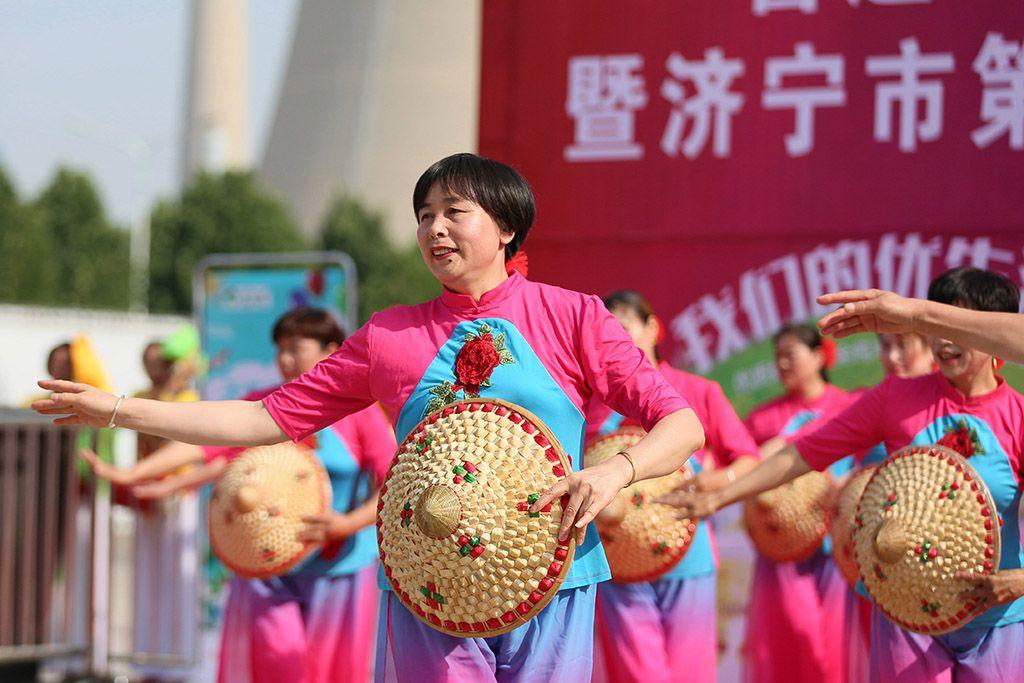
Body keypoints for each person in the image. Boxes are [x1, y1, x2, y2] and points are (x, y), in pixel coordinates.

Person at [35, 153, 704, 683]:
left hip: (554, 572)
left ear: (506, 228)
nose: (434, 228)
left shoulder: (574, 316)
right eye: (424, 215)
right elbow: (265, 418)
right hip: (428, 583)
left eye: (454, 212)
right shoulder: (389, 335)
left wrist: (616, 471)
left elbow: (681, 425)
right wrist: (117, 409)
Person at [669, 267, 1024, 682]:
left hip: (997, 617)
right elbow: (805, 453)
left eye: (956, 325)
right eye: (935, 325)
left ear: (992, 332)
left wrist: (1021, 581)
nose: (943, 341)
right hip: (905, 613)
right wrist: (723, 493)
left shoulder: (1017, 416)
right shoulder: (897, 397)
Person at [82, 307, 395, 683]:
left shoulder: (360, 412)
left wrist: (345, 524)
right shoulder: (264, 404)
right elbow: (205, 446)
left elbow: (391, 481)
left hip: (338, 567)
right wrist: (132, 473)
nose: (285, 359)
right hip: (266, 566)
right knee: (280, 664)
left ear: (331, 350)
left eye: (296, 348)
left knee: (330, 672)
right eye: (280, 349)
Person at [587, 290, 759, 683]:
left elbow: (748, 459)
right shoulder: (590, 402)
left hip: (689, 552)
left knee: (689, 672)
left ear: (652, 328)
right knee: (637, 673)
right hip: (615, 558)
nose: (615, 340)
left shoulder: (696, 390)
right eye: (606, 334)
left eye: (624, 328)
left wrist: (717, 484)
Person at [723, 323, 856, 683]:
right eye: (778, 356)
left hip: (837, 541)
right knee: (794, 633)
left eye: (790, 355)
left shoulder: (848, 406)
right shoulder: (763, 418)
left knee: (836, 640)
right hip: (782, 544)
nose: (782, 364)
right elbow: (737, 463)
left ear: (819, 356)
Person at [817, 288, 1024, 365]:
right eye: (938, 330)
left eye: (902, 345)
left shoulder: (1016, 412)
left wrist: (917, 315)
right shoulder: (891, 397)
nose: (944, 340)